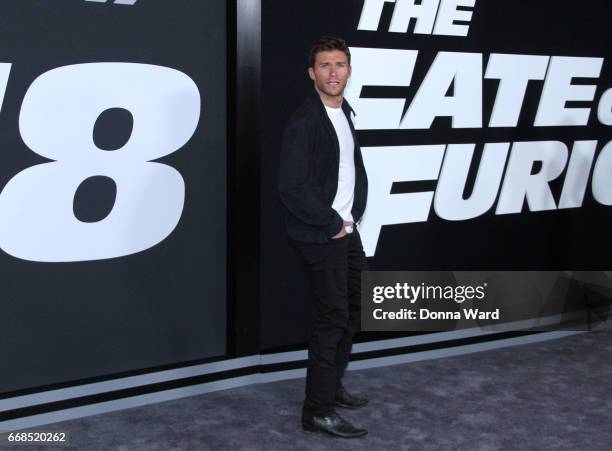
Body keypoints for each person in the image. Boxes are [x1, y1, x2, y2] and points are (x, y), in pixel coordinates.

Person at [278, 36, 369, 438]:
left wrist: (348, 219)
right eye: (326, 66)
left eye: (341, 65)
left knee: (353, 307)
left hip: (346, 228)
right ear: (312, 73)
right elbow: (292, 187)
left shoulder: (344, 112)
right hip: (323, 234)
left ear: (349, 69)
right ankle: (318, 410)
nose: (334, 73)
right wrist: (333, 224)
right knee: (332, 318)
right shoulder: (305, 121)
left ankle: (330, 388)